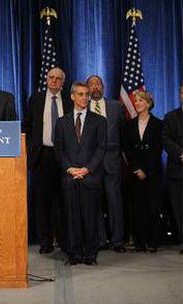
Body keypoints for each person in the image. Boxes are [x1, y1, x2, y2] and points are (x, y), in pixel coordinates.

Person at [54, 82, 107, 265]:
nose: (84, 97)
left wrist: (87, 169)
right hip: (69, 177)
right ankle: (74, 254)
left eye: (86, 94)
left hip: (90, 177)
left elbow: (101, 149)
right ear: (72, 96)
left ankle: (90, 255)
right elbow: (58, 150)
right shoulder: (61, 122)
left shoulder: (99, 121)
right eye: (80, 94)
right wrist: (69, 168)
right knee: (71, 218)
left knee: (91, 217)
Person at [24, 67, 71, 254]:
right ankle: (45, 241)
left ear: (63, 82)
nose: (54, 81)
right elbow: (27, 126)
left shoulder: (69, 100)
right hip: (41, 156)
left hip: (65, 156)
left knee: (63, 200)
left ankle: (64, 240)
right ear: (46, 79)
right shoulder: (35, 99)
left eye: (58, 78)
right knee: (42, 201)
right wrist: (30, 149)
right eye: (51, 77)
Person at [86, 75, 126, 253]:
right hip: (91, 162)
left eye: (98, 84)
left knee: (114, 201)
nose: (95, 87)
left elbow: (124, 133)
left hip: (112, 161)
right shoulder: (82, 106)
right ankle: (100, 240)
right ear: (87, 88)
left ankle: (117, 240)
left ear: (103, 86)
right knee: (94, 202)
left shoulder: (116, 106)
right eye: (91, 84)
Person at [123, 91, 162, 253]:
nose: (137, 103)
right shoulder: (129, 125)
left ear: (148, 103)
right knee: (138, 208)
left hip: (152, 173)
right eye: (136, 101)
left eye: (141, 100)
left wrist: (146, 170)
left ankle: (152, 242)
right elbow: (127, 149)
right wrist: (136, 169)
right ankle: (140, 242)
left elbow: (157, 149)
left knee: (152, 208)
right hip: (135, 172)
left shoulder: (159, 124)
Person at [162, 85, 183, 254]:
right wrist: (181, 154)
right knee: (179, 210)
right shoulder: (170, 117)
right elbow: (166, 139)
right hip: (176, 172)